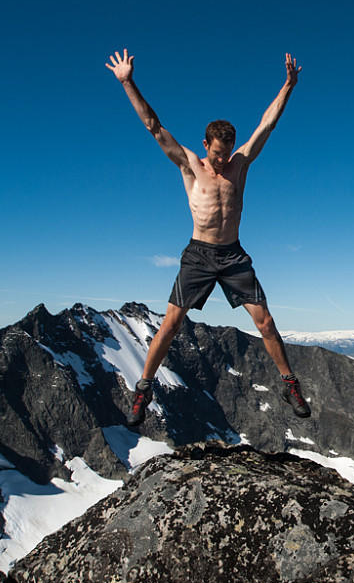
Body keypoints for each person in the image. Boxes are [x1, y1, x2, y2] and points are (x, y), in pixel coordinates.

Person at [106, 49, 311, 425]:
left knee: (265, 322)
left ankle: (290, 384)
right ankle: (143, 390)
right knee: (169, 325)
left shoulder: (240, 164)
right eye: (217, 153)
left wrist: (288, 86)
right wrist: (127, 82)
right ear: (205, 146)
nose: (222, 160)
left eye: (227, 153)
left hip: (232, 255)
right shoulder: (190, 164)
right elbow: (153, 125)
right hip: (199, 254)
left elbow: (267, 124)